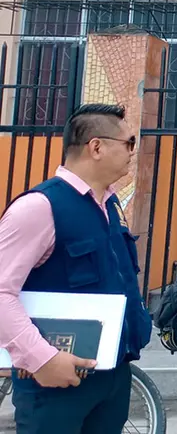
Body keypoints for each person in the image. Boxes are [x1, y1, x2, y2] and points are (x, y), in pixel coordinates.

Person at [0, 103, 153, 434]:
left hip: (112, 377)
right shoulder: (40, 208)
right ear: (96, 146)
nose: (132, 152)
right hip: (56, 385)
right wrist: (41, 357)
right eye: (129, 143)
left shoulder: (111, 207)